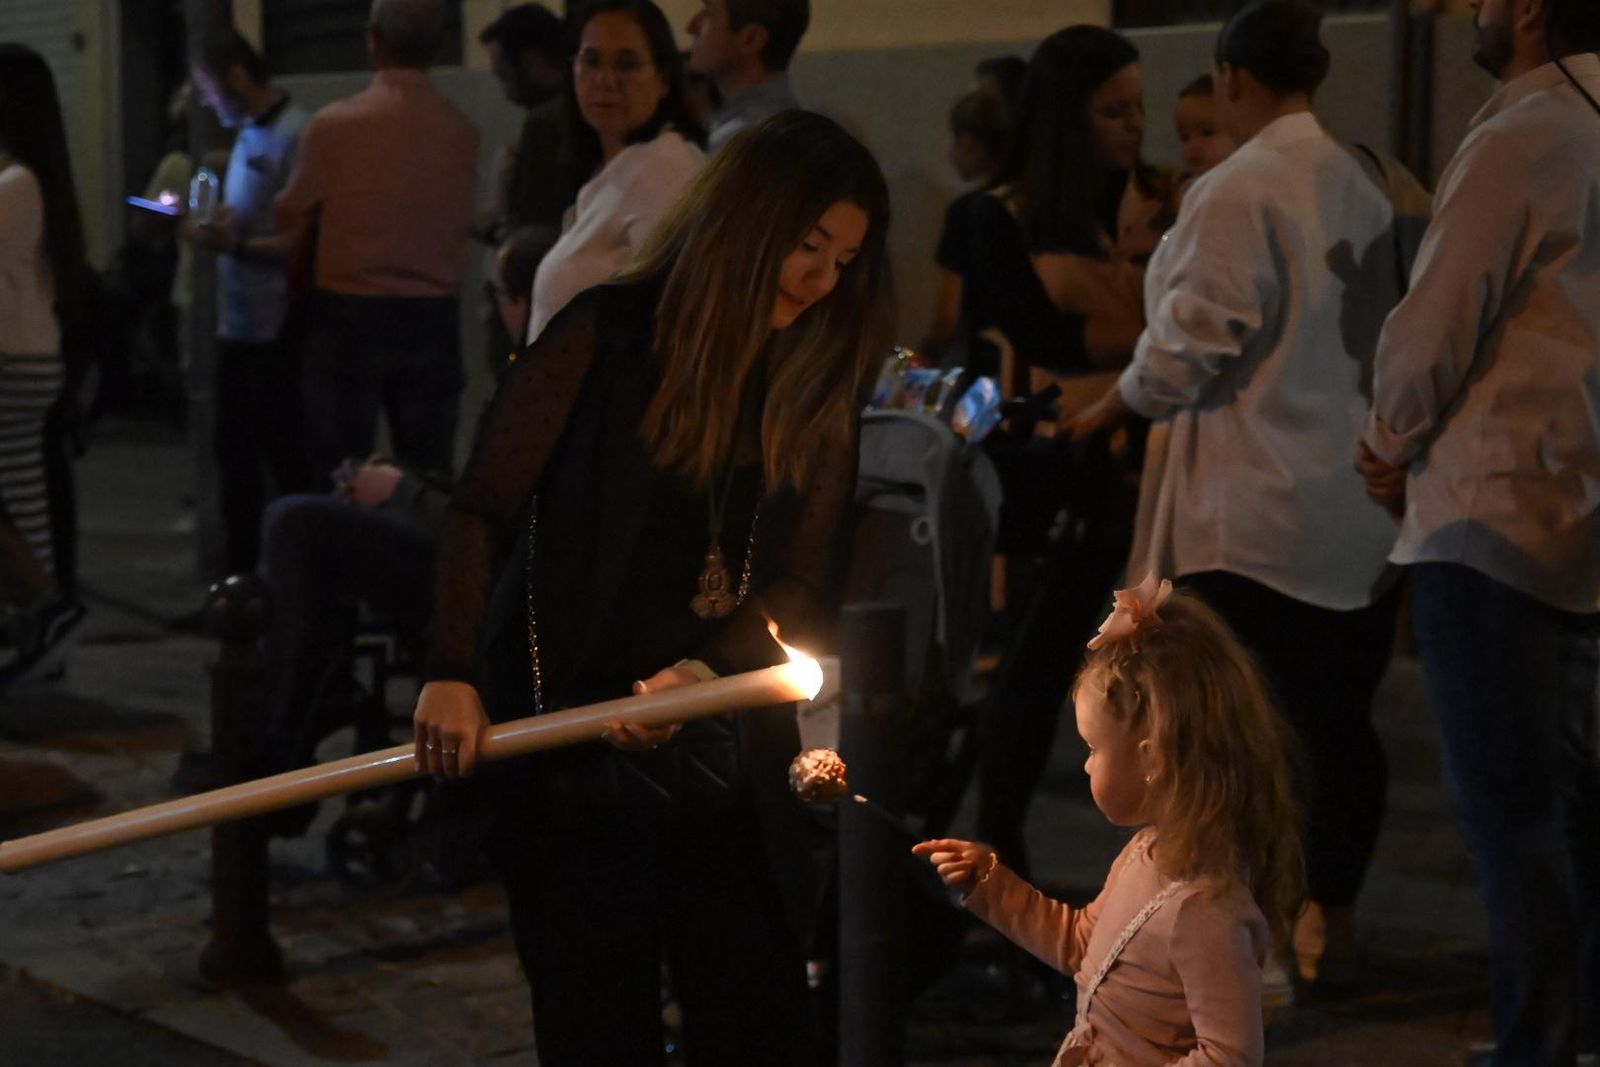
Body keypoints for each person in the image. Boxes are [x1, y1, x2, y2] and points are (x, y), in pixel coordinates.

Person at [414, 110, 892, 1066]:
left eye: (844, 259)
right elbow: (483, 506)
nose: (821, 279)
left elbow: (798, 577)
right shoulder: (607, 333)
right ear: (746, 220)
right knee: (597, 1017)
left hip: (721, 723)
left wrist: (701, 672)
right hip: (573, 734)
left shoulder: (809, 372)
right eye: (806, 245)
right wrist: (452, 669)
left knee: (755, 1003)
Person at [1071, 0, 1426, 992]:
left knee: (1237, 748)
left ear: (1229, 78)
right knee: (1339, 731)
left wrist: (1114, 400)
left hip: (1252, 517)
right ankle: (1333, 923)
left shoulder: (1236, 188)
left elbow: (1194, 340)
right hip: (1356, 509)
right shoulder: (1363, 177)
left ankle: (1250, 945)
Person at [1356, 0, 1600, 1060]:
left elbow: (1433, 325)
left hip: (1487, 514)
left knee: (1511, 824)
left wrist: (1385, 438)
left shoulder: (1519, 132)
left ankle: (1531, 1042)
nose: (1465, 8)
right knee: (1576, 814)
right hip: (1582, 522)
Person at [917, 577, 1302, 1066]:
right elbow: (1084, 945)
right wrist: (992, 886)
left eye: (1095, 749)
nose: (1085, 765)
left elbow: (1229, 1055)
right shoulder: (1146, 854)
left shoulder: (1206, 910)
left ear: (1152, 758)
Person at [968, 24, 1174, 881]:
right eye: (1111, 111)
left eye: (1138, 109)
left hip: (1155, 471)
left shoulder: (1160, 202)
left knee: (1158, 685)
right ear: (1064, 117)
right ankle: (992, 847)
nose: (1132, 128)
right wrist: (1160, 335)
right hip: (1055, 471)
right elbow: (1038, 328)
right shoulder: (997, 214)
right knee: (1031, 673)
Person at [273, 0, 478, 483]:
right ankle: (418, 557)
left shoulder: (336, 124)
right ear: (438, 47)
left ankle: (347, 556)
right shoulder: (461, 130)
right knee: (427, 470)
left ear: (373, 41)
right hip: (432, 313)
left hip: (348, 314)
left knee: (341, 467)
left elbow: (288, 209)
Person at [186, 32, 312, 576]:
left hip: (276, 329)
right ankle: (239, 585)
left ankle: (285, 586)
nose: (207, 103)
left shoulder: (294, 134)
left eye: (210, 89)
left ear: (238, 77)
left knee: (281, 460)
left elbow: (299, 240)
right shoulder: (246, 135)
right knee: (232, 458)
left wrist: (231, 244)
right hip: (237, 325)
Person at [524, 0, 705, 342]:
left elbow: (679, 318)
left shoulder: (665, 167)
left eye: (627, 64)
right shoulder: (611, 168)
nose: (606, 81)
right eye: (591, 61)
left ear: (663, 78)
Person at [0, 45, 90, 687]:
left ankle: (44, 606)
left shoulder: (15, 183)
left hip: (10, 358)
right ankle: (39, 620)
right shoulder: (34, 178)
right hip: (32, 355)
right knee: (21, 489)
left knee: (14, 491)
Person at [924, 89, 1012, 352]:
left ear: (970, 143)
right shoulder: (1035, 204)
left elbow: (948, 317)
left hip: (984, 366)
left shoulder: (967, 213)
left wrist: (920, 355)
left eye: (955, 141)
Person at [685, 0, 808, 153]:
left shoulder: (742, 142)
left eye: (708, 14)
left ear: (750, 39)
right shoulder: (795, 124)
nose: (691, 27)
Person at [1173, 73, 1235, 200]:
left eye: (1207, 132)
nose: (1193, 145)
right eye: (1184, 137)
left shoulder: (1244, 188)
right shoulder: (1185, 191)